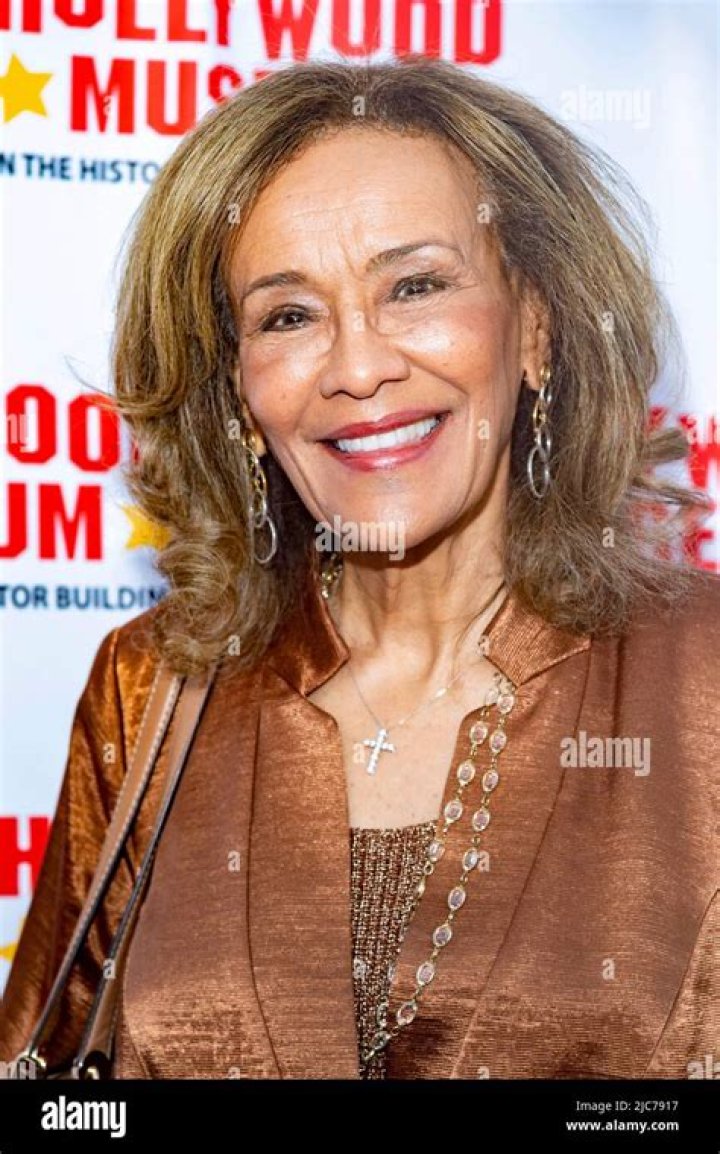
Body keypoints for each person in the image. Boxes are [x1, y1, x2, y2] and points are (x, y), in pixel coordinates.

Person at [0, 57, 717, 1081]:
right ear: (238, 389)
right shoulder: (152, 687)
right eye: (288, 315)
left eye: (414, 286)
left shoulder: (701, 681)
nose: (358, 367)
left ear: (538, 326)